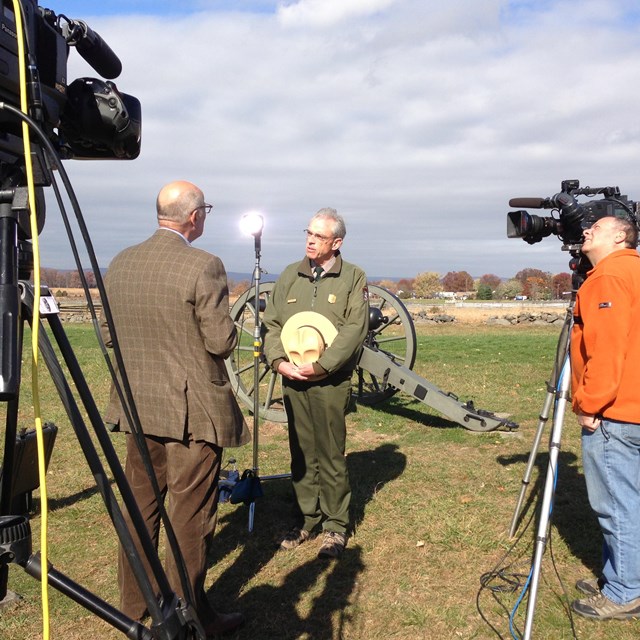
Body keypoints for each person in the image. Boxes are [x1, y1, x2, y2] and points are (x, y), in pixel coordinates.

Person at [100, 180, 250, 636]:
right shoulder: (204, 265)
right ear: (193, 217)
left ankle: (134, 608)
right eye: (205, 209)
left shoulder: (122, 261)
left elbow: (108, 335)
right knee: (190, 513)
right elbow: (220, 341)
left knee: (139, 505)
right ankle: (187, 616)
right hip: (192, 415)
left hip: (137, 407)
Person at [262, 207, 369, 559]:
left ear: (336, 243)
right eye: (308, 232)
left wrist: (322, 366)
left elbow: (355, 329)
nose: (310, 240)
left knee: (330, 451)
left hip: (330, 381)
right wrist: (278, 361)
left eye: (319, 236)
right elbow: (272, 323)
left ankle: (335, 526)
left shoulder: (353, 277)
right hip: (292, 378)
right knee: (302, 451)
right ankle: (308, 518)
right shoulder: (290, 275)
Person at [570, 214, 640, 620]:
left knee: (616, 503)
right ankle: (620, 575)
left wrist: (590, 404)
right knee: (631, 498)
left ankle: (625, 592)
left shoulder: (607, 279)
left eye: (596, 228)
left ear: (620, 236)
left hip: (617, 411)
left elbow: (607, 350)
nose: (586, 231)